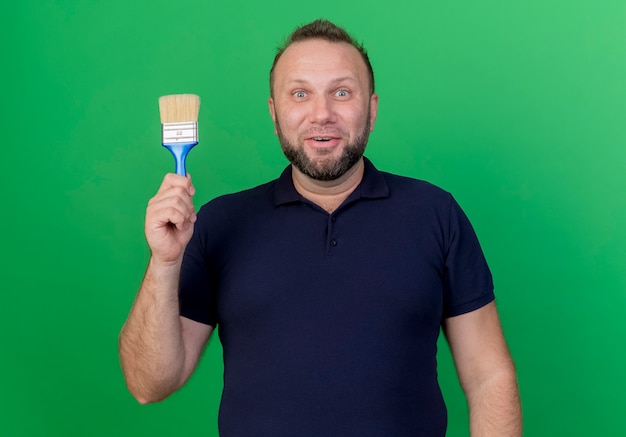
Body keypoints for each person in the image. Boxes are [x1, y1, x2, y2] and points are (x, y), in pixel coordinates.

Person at [119, 19, 522, 436]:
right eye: (300, 94)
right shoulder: (220, 223)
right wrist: (164, 262)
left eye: (342, 92)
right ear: (275, 114)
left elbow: (488, 376)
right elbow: (150, 384)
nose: (322, 114)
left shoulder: (435, 213)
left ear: (372, 109)